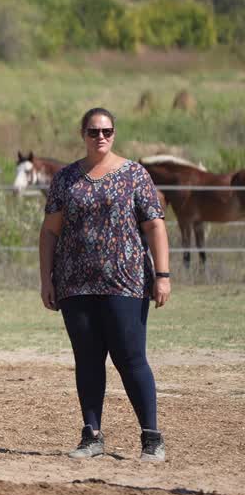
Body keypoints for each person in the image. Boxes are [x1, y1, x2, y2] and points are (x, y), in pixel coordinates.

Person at [38, 107, 171, 462]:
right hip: (75, 284)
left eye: (107, 131)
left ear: (114, 134)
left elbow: (156, 226)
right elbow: (50, 231)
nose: (101, 137)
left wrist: (162, 276)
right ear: (82, 134)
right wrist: (45, 279)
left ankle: (151, 438)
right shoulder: (66, 179)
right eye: (94, 131)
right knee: (88, 360)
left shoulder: (134, 175)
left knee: (130, 358)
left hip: (125, 282)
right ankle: (91, 435)